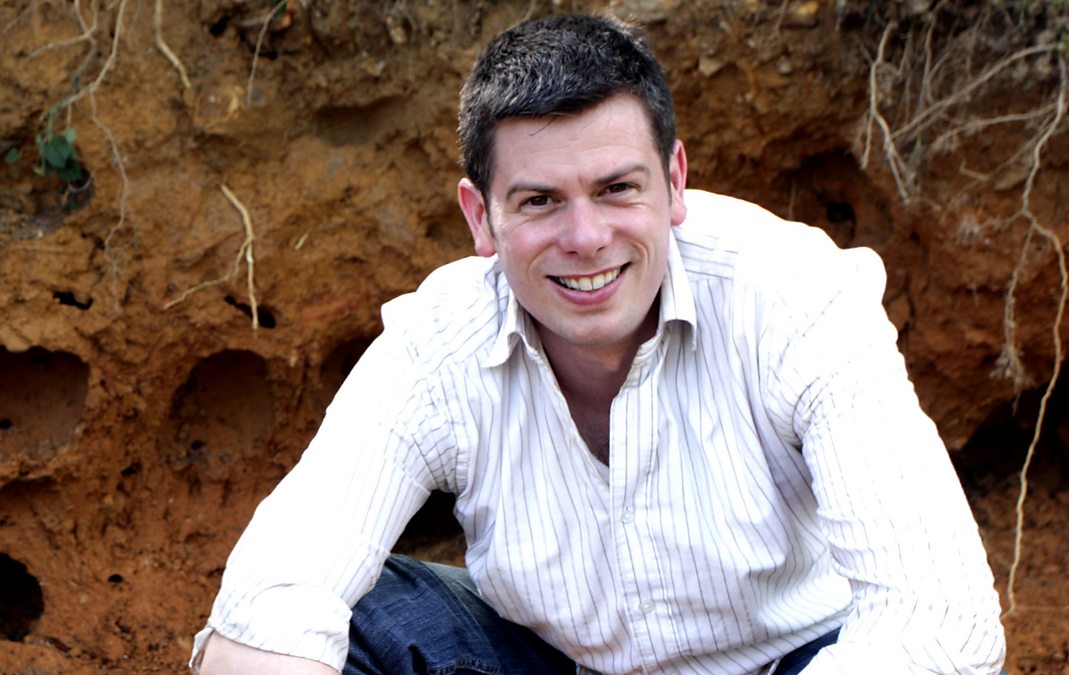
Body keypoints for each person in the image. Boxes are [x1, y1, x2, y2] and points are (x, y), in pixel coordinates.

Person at [192, 14, 1005, 675]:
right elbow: (264, 607)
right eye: (540, 200)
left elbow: (942, 620)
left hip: (795, 660)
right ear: (481, 217)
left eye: (617, 188)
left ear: (675, 181)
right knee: (354, 612)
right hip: (557, 663)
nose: (585, 238)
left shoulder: (793, 296)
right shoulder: (436, 345)